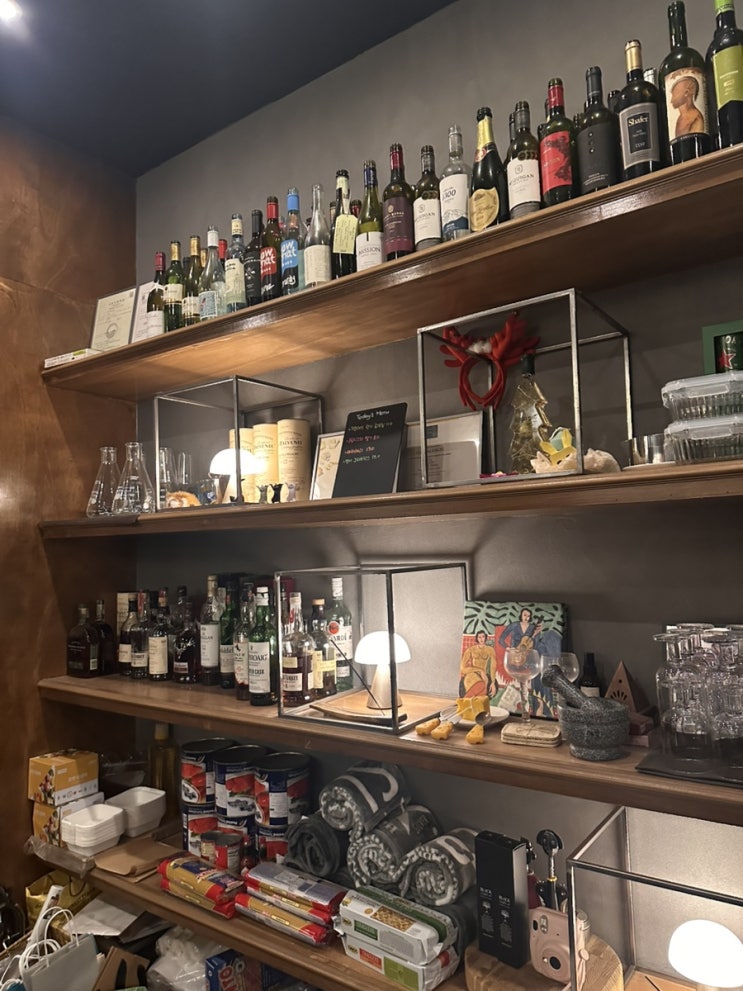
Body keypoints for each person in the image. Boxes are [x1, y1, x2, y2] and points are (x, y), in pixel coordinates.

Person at [459, 630, 496, 697]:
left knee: (483, 687)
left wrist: (493, 682)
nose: (481, 639)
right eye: (479, 637)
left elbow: (493, 667)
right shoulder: (471, 650)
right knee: (474, 683)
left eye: (483, 636)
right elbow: (462, 669)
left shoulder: (490, 650)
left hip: (484, 675)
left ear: (485, 637)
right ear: (477, 638)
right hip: (473, 673)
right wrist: (479, 670)